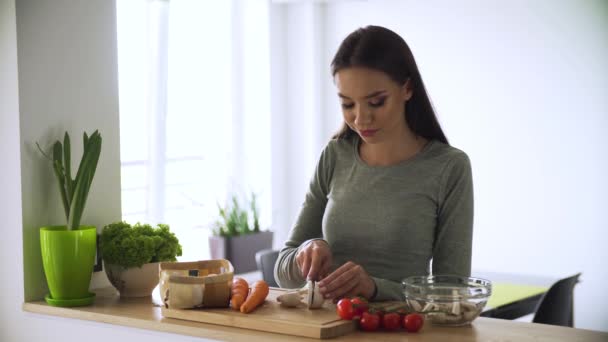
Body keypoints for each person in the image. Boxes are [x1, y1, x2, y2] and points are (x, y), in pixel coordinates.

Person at [274, 25, 474, 302]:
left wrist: (376, 289)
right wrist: (305, 251)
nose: (360, 119)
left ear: (407, 88)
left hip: (400, 330)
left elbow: (452, 292)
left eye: (376, 102)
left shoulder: (449, 167)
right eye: (347, 104)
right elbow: (283, 270)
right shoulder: (334, 156)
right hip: (327, 329)